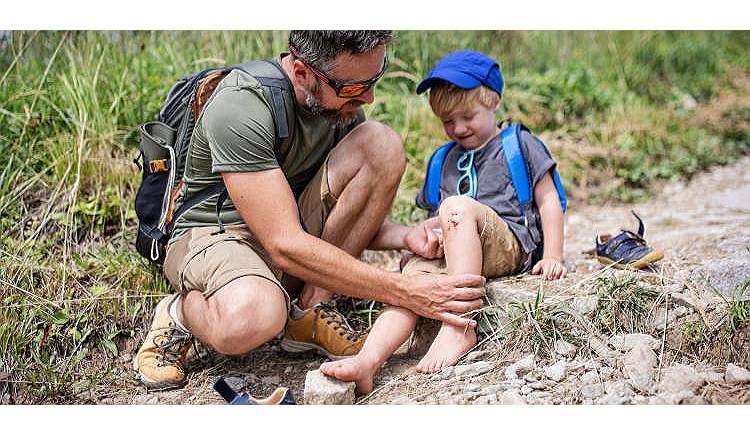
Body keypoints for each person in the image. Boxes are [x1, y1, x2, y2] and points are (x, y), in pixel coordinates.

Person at [133, 32, 486, 391]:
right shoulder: (240, 105)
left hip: (285, 226)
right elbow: (284, 242)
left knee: (380, 144)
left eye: (373, 81)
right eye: (353, 88)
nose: (368, 97)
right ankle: (179, 315)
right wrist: (405, 290)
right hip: (216, 234)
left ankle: (308, 310)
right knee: (254, 314)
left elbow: (339, 211)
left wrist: (403, 235)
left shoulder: (338, 103)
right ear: (302, 73)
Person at [320, 50, 567, 395]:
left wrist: (552, 254)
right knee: (409, 288)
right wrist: (425, 243)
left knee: (457, 206)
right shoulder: (444, 158)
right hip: (456, 248)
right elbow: (434, 219)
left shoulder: (518, 144)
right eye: (447, 121)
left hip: (507, 242)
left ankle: (459, 326)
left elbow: (548, 200)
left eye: (468, 116)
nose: (458, 128)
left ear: (493, 101)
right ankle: (368, 360)